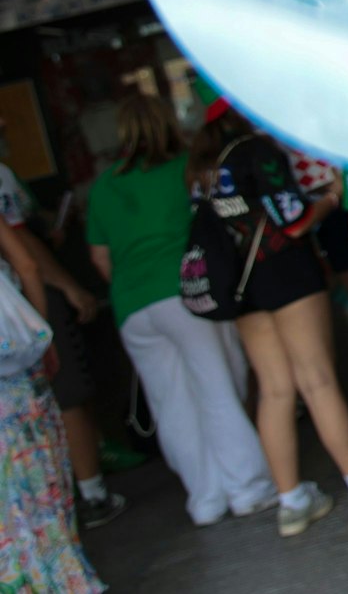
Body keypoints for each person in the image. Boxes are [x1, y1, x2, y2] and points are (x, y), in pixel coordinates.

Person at [188, 102, 348, 537]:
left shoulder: (199, 170)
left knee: (275, 390)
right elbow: (295, 223)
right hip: (286, 275)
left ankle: (292, 502)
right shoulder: (257, 150)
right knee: (317, 380)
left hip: (240, 285)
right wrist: (332, 198)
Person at [85, 95, 276, 526]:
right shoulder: (185, 169)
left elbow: (100, 257)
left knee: (171, 405)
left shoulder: (103, 187)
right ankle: (247, 489)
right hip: (188, 293)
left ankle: (205, 499)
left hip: (133, 307)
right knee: (219, 388)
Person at [0, 117, 123, 529]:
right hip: (12, 339)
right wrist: (42, 329)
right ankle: (87, 497)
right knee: (47, 415)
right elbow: (27, 261)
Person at [0, 213, 106, 592]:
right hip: (13, 369)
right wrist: (40, 334)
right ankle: (62, 579)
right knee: (37, 483)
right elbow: (27, 264)